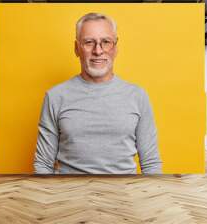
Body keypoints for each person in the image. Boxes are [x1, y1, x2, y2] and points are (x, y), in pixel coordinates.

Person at [33, 12, 161, 174]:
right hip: (68, 195)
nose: (98, 51)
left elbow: (151, 163)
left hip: (124, 195)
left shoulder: (138, 96)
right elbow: (43, 164)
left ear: (115, 48)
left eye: (106, 42)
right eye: (89, 42)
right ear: (76, 48)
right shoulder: (55, 96)